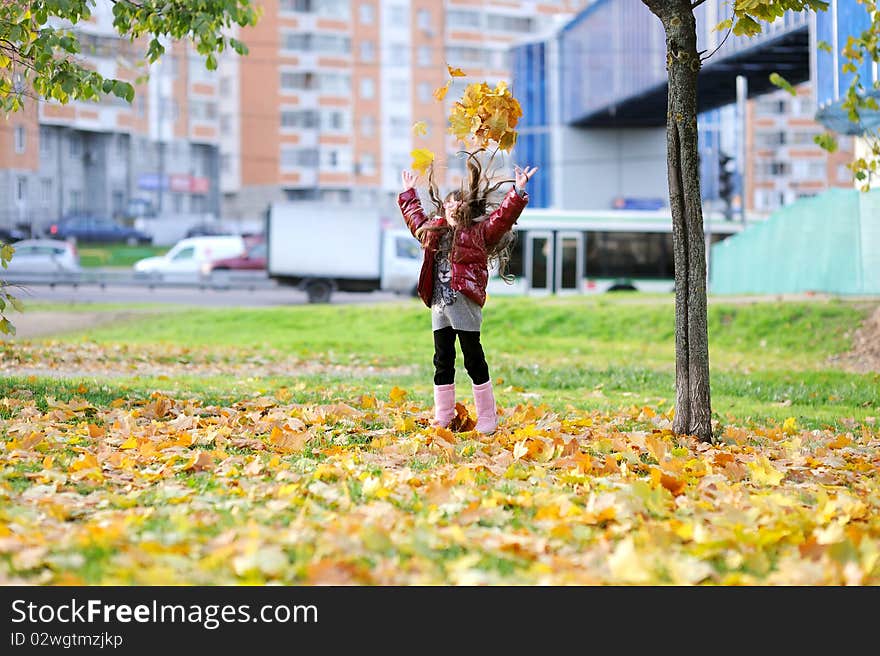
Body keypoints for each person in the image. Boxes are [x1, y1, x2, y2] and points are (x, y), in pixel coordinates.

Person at [398, 152, 538, 434]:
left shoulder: (478, 233)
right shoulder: (433, 231)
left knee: (473, 359)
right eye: (448, 203)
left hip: (465, 306)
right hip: (440, 307)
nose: (451, 206)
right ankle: (444, 416)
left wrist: (518, 191)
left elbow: (502, 218)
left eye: (457, 202)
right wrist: (408, 194)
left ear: (466, 208)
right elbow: (415, 220)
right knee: (442, 361)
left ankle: (487, 417)